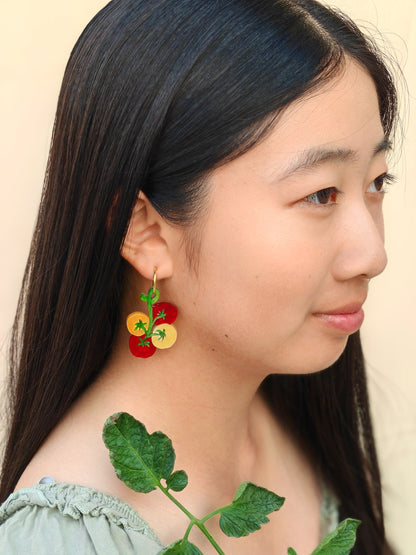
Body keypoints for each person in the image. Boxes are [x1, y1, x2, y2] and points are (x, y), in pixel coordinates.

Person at [0, 0, 398, 553]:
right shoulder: (66, 540)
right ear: (146, 232)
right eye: (320, 194)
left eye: (378, 181)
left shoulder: (293, 418)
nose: (372, 254)